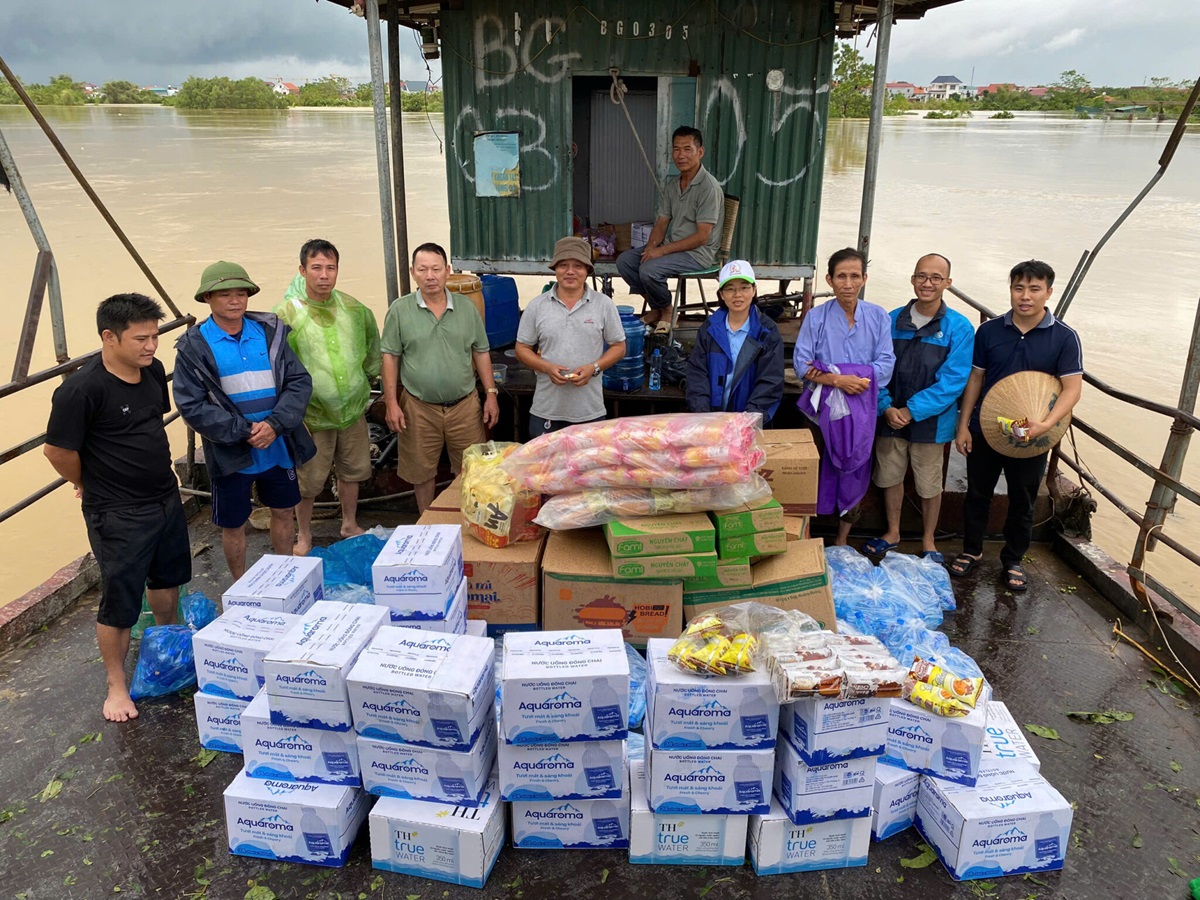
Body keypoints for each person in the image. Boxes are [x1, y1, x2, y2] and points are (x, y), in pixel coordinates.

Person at [44, 293, 192, 722]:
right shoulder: (80, 390)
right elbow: (57, 451)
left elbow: (146, 428)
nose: (151, 347)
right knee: (120, 600)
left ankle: (166, 654)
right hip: (118, 512)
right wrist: (86, 482)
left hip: (164, 495)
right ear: (109, 337)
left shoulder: (153, 371)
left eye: (155, 337)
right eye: (141, 339)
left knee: (169, 581)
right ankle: (116, 686)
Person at [174, 261, 315, 580]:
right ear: (207, 299)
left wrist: (276, 425)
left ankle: (285, 576)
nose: (235, 300)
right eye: (225, 294)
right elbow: (191, 405)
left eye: (241, 293)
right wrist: (245, 430)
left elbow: (299, 382)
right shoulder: (194, 347)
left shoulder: (270, 332)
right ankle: (240, 584)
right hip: (230, 451)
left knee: (283, 511)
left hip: (277, 443)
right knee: (233, 523)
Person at [951, 259, 1083, 591]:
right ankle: (972, 550)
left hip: (1034, 435)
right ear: (1010, 289)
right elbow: (976, 379)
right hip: (987, 428)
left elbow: (1072, 388)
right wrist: (963, 425)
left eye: (1034, 289)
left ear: (1048, 292)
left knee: (1022, 498)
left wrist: (1047, 425)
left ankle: (1013, 559)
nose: (1025, 296)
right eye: (1018, 288)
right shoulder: (990, 330)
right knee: (977, 493)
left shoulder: (1065, 337)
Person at [862, 253, 975, 563]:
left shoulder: (959, 328)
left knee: (929, 482)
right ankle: (893, 531)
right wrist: (886, 406)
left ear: (948, 283)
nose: (928, 283)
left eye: (936, 278)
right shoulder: (890, 320)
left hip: (931, 420)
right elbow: (874, 369)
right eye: (922, 276)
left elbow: (954, 381)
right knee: (890, 475)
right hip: (890, 416)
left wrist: (911, 411)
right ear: (912, 279)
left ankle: (928, 538)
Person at [274, 239, 381, 556]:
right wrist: (292, 417)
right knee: (307, 483)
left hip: (351, 411)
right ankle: (303, 534)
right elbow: (276, 370)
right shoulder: (286, 316)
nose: (324, 275)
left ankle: (349, 523)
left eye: (330, 268)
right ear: (302, 270)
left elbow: (372, 352)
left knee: (353, 472)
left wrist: (366, 388)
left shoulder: (355, 309)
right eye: (316, 268)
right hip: (311, 418)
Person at [380, 242, 499, 513]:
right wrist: (390, 403)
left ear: (447, 271)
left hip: (465, 406)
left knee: (471, 469)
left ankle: (468, 520)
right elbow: (389, 357)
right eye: (423, 269)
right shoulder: (400, 310)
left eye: (436, 269)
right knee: (421, 472)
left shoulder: (467, 309)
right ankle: (427, 521)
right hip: (418, 407)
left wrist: (491, 395)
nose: (430, 276)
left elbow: (481, 352)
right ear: (413, 272)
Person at [793, 248, 895, 546]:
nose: (847, 283)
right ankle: (805, 535)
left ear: (864, 279)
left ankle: (842, 539)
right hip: (819, 410)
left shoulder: (878, 317)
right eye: (841, 276)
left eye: (854, 276)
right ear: (830, 279)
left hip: (861, 409)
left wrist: (853, 381)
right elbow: (802, 365)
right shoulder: (817, 317)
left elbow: (886, 366)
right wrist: (839, 380)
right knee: (812, 468)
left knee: (854, 467)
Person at [514, 236, 626, 436]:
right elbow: (521, 348)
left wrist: (594, 367)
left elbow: (619, 346)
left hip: (589, 412)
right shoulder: (537, 306)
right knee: (546, 467)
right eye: (563, 265)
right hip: (546, 410)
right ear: (555, 269)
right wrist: (546, 367)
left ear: (587, 271)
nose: (570, 271)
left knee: (587, 467)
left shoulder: (604, 304)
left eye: (578, 266)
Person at [616, 126, 725, 330]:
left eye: (687, 149)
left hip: (698, 254)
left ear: (700, 152)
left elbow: (702, 237)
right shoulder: (674, 184)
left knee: (649, 269)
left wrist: (661, 251)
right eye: (676, 149)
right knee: (626, 262)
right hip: (674, 247)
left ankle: (667, 309)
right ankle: (657, 306)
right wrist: (651, 248)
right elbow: (662, 223)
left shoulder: (708, 188)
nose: (680, 155)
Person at [685, 259, 784, 422]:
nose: (738, 295)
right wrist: (703, 415)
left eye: (744, 288)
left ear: (754, 290)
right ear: (722, 294)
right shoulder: (709, 328)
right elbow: (697, 373)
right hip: (710, 421)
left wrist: (748, 421)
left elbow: (770, 382)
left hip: (748, 424)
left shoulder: (766, 331)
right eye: (730, 289)